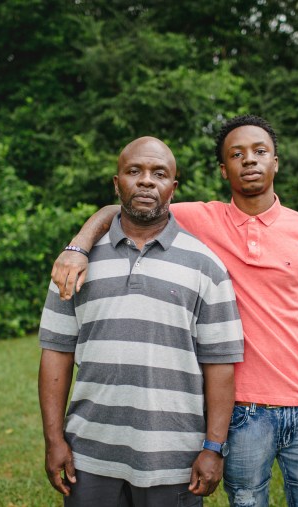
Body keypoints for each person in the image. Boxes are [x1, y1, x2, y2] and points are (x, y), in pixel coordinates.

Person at [51, 115, 298, 506]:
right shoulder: (200, 219)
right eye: (237, 154)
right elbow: (124, 206)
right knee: (246, 501)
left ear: (277, 162)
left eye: (260, 152)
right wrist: (78, 245)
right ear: (224, 170)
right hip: (243, 408)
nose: (250, 160)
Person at [38, 136, 244, 507]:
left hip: (174, 457)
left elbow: (221, 365)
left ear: (173, 188)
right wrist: (54, 440)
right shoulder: (73, 264)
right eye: (134, 171)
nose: (146, 181)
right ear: (117, 184)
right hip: (89, 455)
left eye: (158, 173)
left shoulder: (206, 266)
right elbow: (56, 353)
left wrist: (213, 447)